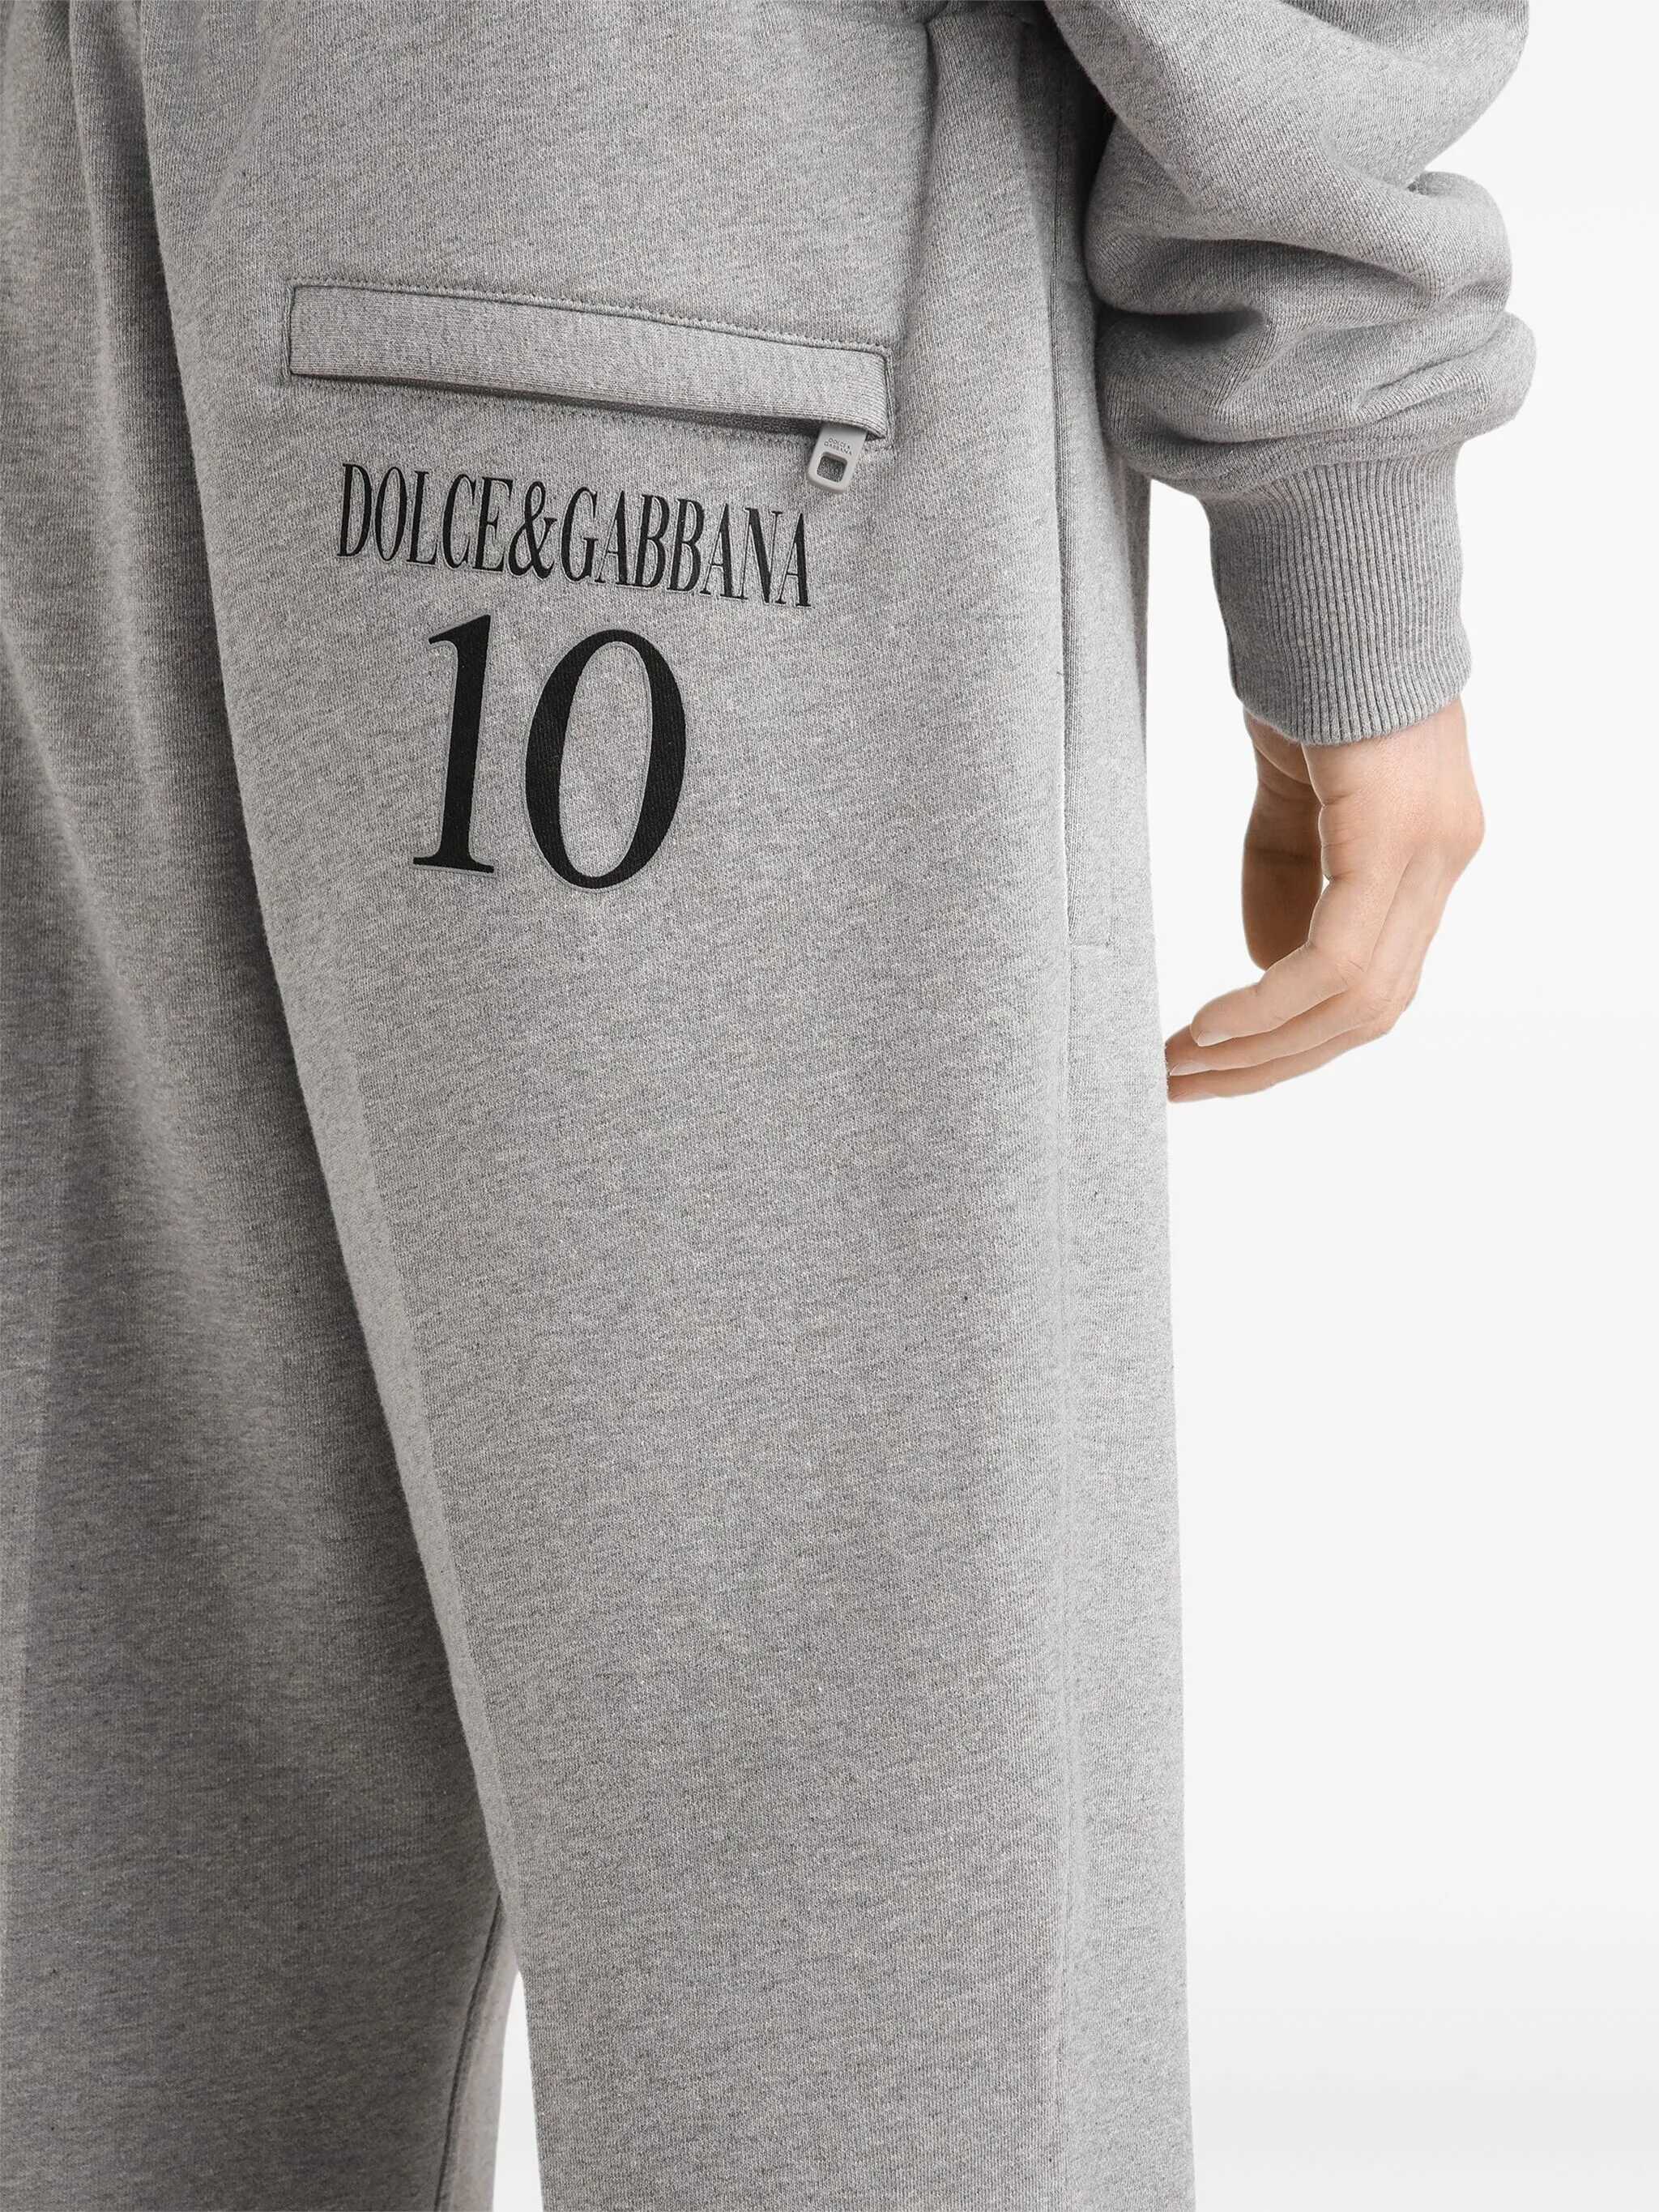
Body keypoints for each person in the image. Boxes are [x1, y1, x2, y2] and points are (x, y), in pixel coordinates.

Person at [0, 3, 1530, 2207]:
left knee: (142, 1845)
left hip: (93, 198)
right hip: (654, 200)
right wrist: (1348, 490)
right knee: (844, 1903)